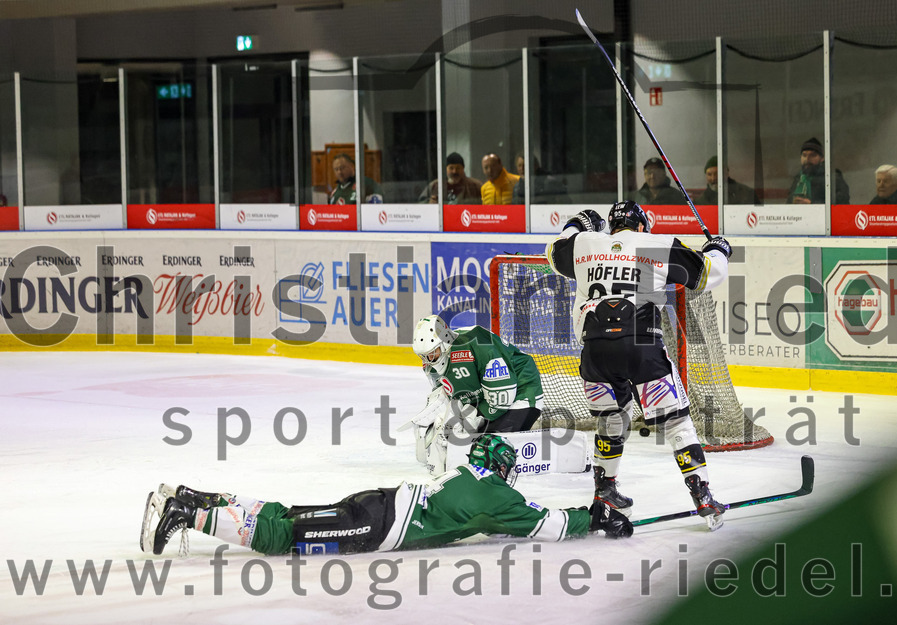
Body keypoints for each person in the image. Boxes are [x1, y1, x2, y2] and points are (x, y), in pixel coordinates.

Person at [545, 202, 732, 531]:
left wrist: (576, 223)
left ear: (612, 226)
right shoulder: (657, 244)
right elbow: (706, 274)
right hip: (642, 348)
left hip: (594, 354)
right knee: (676, 425)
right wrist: (718, 250)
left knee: (610, 423)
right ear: (642, 226)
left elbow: (553, 251)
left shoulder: (585, 243)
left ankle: (604, 493)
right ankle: (702, 495)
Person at [140, 434, 633, 557]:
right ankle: (189, 514)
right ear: (503, 468)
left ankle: (198, 497)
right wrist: (597, 516)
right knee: (283, 537)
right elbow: (553, 525)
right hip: (379, 525)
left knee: (288, 513)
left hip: (380, 500)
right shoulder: (498, 497)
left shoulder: (461, 470)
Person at [408, 315, 544, 475]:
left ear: (444, 342)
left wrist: (475, 416)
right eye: (424, 356)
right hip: (486, 397)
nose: (429, 360)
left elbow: (502, 399)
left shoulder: (479, 344)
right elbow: (448, 395)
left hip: (522, 393)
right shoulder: (432, 365)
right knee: (448, 432)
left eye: (433, 353)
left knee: (489, 449)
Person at [785, 137, 850, 204]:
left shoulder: (832, 177)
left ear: (822, 158)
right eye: (804, 155)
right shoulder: (798, 178)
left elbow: (843, 201)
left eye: (812, 155)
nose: (807, 159)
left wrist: (812, 204)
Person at [417, 152, 482, 204]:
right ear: (445, 169)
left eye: (458, 168)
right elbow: (420, 204)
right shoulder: (435, 185)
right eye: (451, 168)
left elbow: (485, 203)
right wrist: (429, 203)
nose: (454, 171)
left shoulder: (475, 186)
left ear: (463, 169)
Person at [694, 156, 759, 205]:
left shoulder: (747, 194)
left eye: (717, 173)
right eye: (709, 174)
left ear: (726, 173)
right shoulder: (700, 201)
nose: (713, 178)